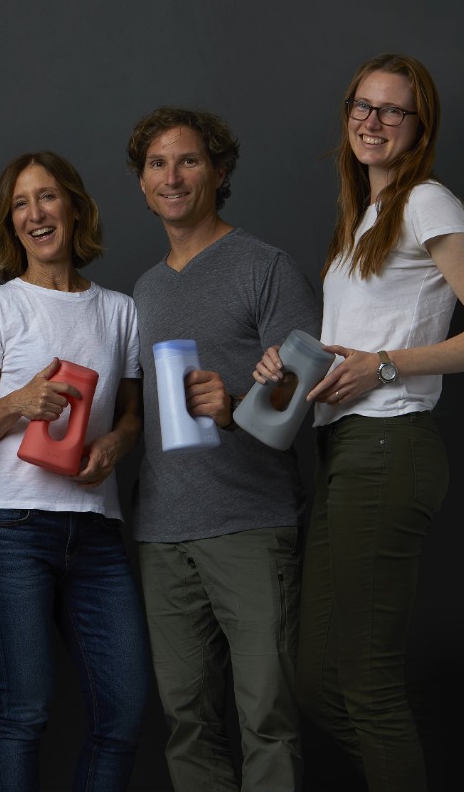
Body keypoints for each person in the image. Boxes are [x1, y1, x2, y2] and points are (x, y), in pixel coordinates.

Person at [253, 53, 464, 792]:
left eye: (392, 110)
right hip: (345, 450)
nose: (373, 121)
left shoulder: (427, 202)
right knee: (318, 683)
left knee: (368, 686)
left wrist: (384, 366)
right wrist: (293, 360)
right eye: (362, 106)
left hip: (388, 446)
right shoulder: (363, 221)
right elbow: (358, 341)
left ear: (418, 126)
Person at [125, 107, 322, 791]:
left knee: (267, 717)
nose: (172, 177)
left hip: (251, 525)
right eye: (157, 164)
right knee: (187, 723)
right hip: (162, 533)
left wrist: (234, 406)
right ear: (142, 182)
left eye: (188, 161)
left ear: (219, 171)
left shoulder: (266, 267)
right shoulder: (146, 289)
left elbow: (301, 394)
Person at [0, 151, 150, 791]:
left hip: (96, 531)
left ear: (75, 207)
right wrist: (20, 402)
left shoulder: (121, 311)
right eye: (20, 204)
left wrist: (113, 447)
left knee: (123, 714)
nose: (35, 214)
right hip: (12, 529)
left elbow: (132, 417)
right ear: (10, 223)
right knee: (24, 712)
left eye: (47, 197)